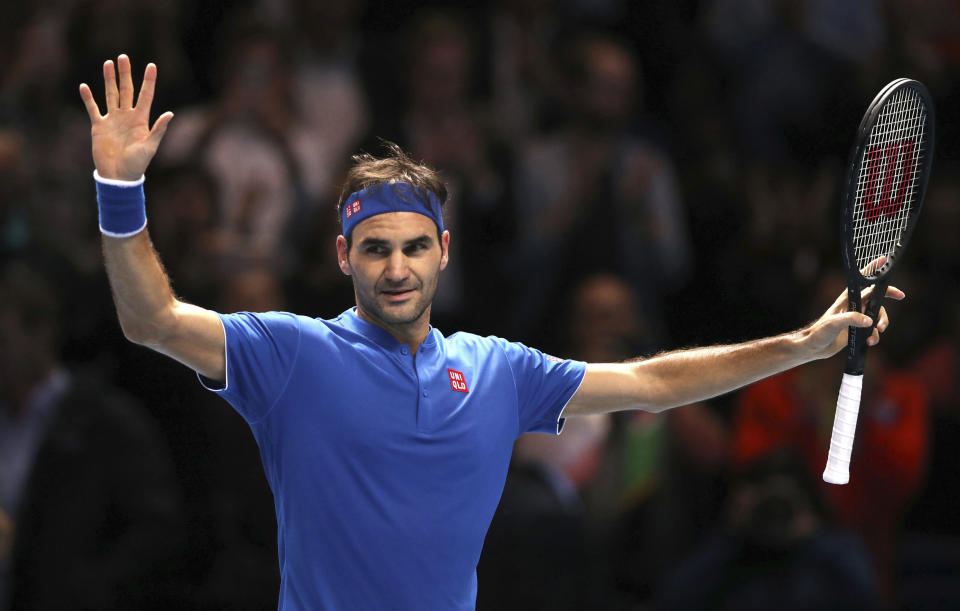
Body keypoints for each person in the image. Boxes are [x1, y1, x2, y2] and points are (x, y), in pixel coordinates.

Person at [78, 54, 902, 610]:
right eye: (374, 249)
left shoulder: (499, 370)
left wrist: (799, 344)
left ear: (442, 251)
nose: (395, 267)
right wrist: (120, 188)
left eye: (411, 247)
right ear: (343, 256)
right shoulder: (291, 353)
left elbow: (654, 382)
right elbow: (149, 320)